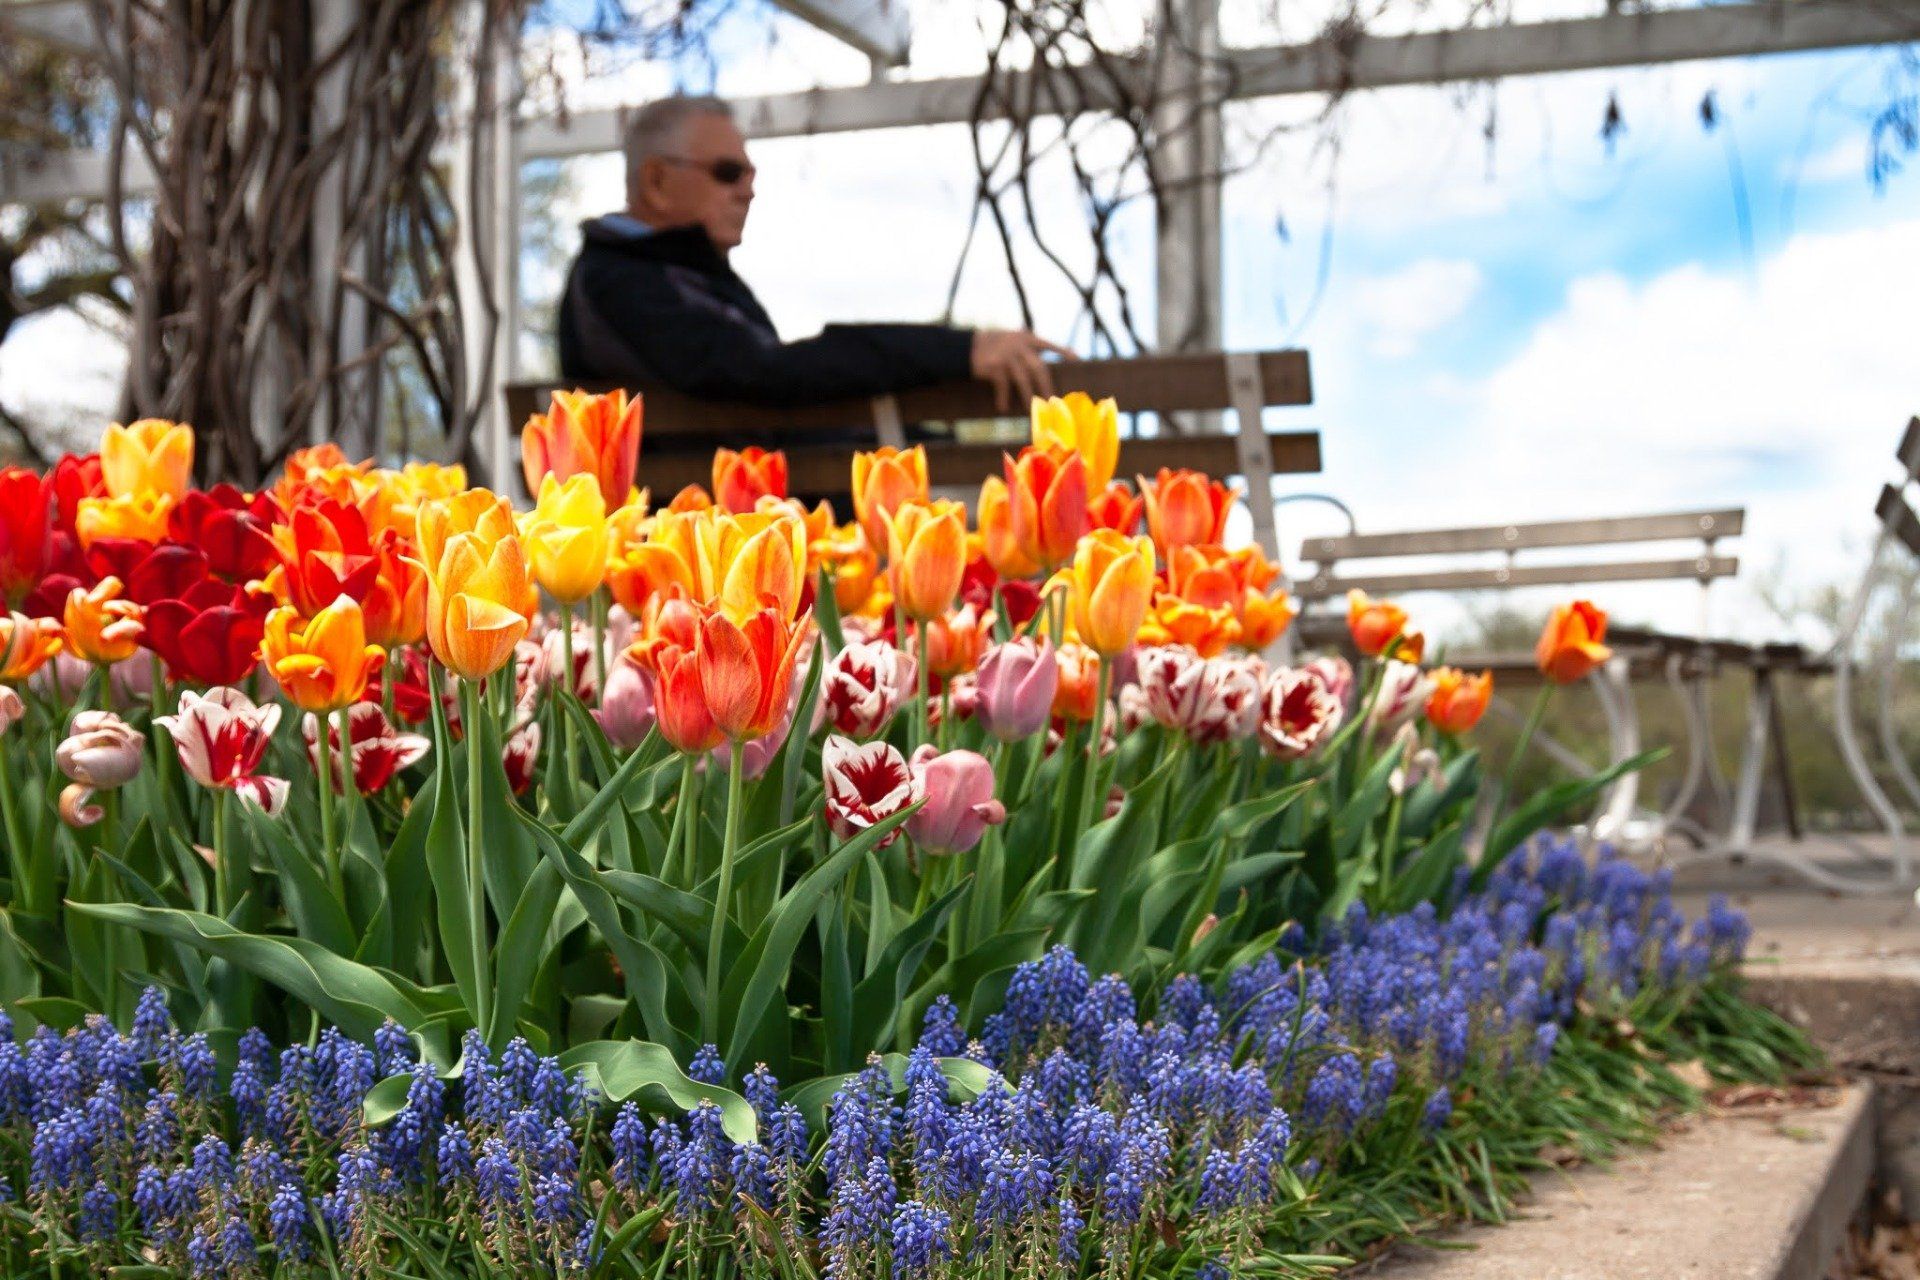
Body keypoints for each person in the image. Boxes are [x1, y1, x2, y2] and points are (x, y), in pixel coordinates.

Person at [558, 94, 1070, 410]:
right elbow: (768, 373)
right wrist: (960, 351)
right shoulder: (620, 279)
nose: (748, 191)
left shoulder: (670, 274)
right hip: (711, 540)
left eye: (752, 175)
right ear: (657, 181)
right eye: (729, 173)